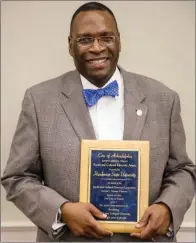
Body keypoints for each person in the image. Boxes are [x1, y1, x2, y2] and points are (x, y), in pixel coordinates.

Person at [1, 1, 195, 242]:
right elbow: (17, 177)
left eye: (106, 38)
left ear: (119, 41)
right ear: (70, 45)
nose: (96, 47)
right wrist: (61, 211)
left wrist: (168, 207)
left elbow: (182, 170)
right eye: (85, 40)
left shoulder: (164, 99)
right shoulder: (38, 100)